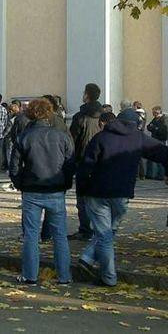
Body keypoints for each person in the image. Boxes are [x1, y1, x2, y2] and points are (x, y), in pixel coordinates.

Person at [76, 112, 168, 287]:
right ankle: (89, 261)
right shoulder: (138, 138)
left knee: (105, 235)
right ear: (135, 123)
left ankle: (105, 274)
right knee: (109, 232)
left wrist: (82, 189)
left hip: (97, 192)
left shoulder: (101, 137)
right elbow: (162, 153)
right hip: (122, 193)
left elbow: (86, 165)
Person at [9, 99, 74, 285]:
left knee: (31, 235)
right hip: (55, 189)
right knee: (60, 235)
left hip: (31, 190)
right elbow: (70, 164)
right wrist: (65, 183)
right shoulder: (61, 136)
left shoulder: (24, 136)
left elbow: (14, 167)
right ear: (49, 113)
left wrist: (20, 184)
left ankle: (30, 275)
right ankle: (64, 276)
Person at [69, 83, 103, 240]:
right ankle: (99, 227)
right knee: (98, 196)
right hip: (101, 160)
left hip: (83, 159)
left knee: (82, 198)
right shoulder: (103, 116)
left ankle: (85, 229)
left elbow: (72, 140)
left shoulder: (80, 117)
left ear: (87, 95)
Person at [146, 106, 168, 180]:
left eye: (153, 112)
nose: (153, 114)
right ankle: (149, 174)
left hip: (160, 140)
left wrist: (154, 128)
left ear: (157, 112)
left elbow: (162, 131)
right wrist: (154, 128)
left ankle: (160, 175)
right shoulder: (155, 119)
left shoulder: (163, 119)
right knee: (150, 157)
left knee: (161, 158)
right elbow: (148, 127)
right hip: (154, 140)